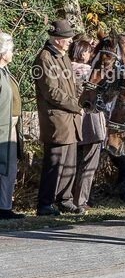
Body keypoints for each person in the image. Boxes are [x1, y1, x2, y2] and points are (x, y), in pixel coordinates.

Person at [34, 19, 84, 216]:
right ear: (56, 39)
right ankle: (45, 203)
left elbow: (70, 86)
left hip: (69, 119)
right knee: (54, 163)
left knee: (70, 162)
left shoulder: (62, 56)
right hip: (57, 120)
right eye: (67, 37)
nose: (71, 40)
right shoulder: (45, 58)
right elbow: (52, 92)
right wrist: (76, 105)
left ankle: (65, 200)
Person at [70, 35, 106, 210]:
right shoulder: (86, 70)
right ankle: (81, 200)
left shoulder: (66, 67)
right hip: (91, 120)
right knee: (90, 162)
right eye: (87, 51)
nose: (90, 53)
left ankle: (69, 197)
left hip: (76, 120)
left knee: (72, 162)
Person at [0, 32, 24, 220]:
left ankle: (5, 205)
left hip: (10, 126)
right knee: (3, 167)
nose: (13, 53)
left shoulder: (5, 72)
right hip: (2, 126)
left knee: (9, 168)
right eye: (11, 50)